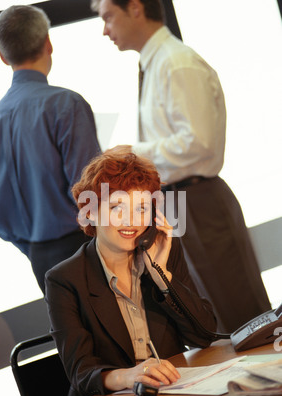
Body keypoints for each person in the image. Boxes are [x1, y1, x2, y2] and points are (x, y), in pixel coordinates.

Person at [91, 0, 271, 332]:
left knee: (240, 314)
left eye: (107, 18)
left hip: (198, 199)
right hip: (177, 202)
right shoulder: (157, 63)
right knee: (210, 316)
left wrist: (134, 153)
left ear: (134, 8)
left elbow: (198, 143)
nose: (105, 30)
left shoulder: (177, 63)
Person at [45, 149, 217, 396]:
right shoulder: (65, 279)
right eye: (117, 207)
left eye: (141, 208)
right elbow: (81, 372)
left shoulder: (163, 251)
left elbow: (203, 336)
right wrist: (128, 375)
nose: (132, 221)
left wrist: (163, 279)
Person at [0, 5, 101, 293]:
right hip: (85, 250)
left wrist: (38, 247)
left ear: (2, 56)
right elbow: (92, 196)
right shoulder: (67, 104)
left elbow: (2, 219)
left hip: (40, 261)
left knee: (73, 338)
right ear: (48, 43)